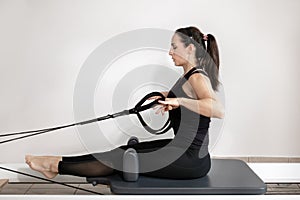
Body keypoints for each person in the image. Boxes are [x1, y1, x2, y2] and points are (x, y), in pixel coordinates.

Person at [25, 26, 224, 180]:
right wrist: (165, 96)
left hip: (190, 159)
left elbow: (217, 109)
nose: (170, 52)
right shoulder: (188, 77)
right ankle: (58, 162)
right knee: (122, 152)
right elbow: (187, 97)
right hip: (181, 149)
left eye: (174, 46)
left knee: (120, 160)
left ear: (190, 48)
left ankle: (53, 166)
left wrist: (178, 101)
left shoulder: (198, 77)